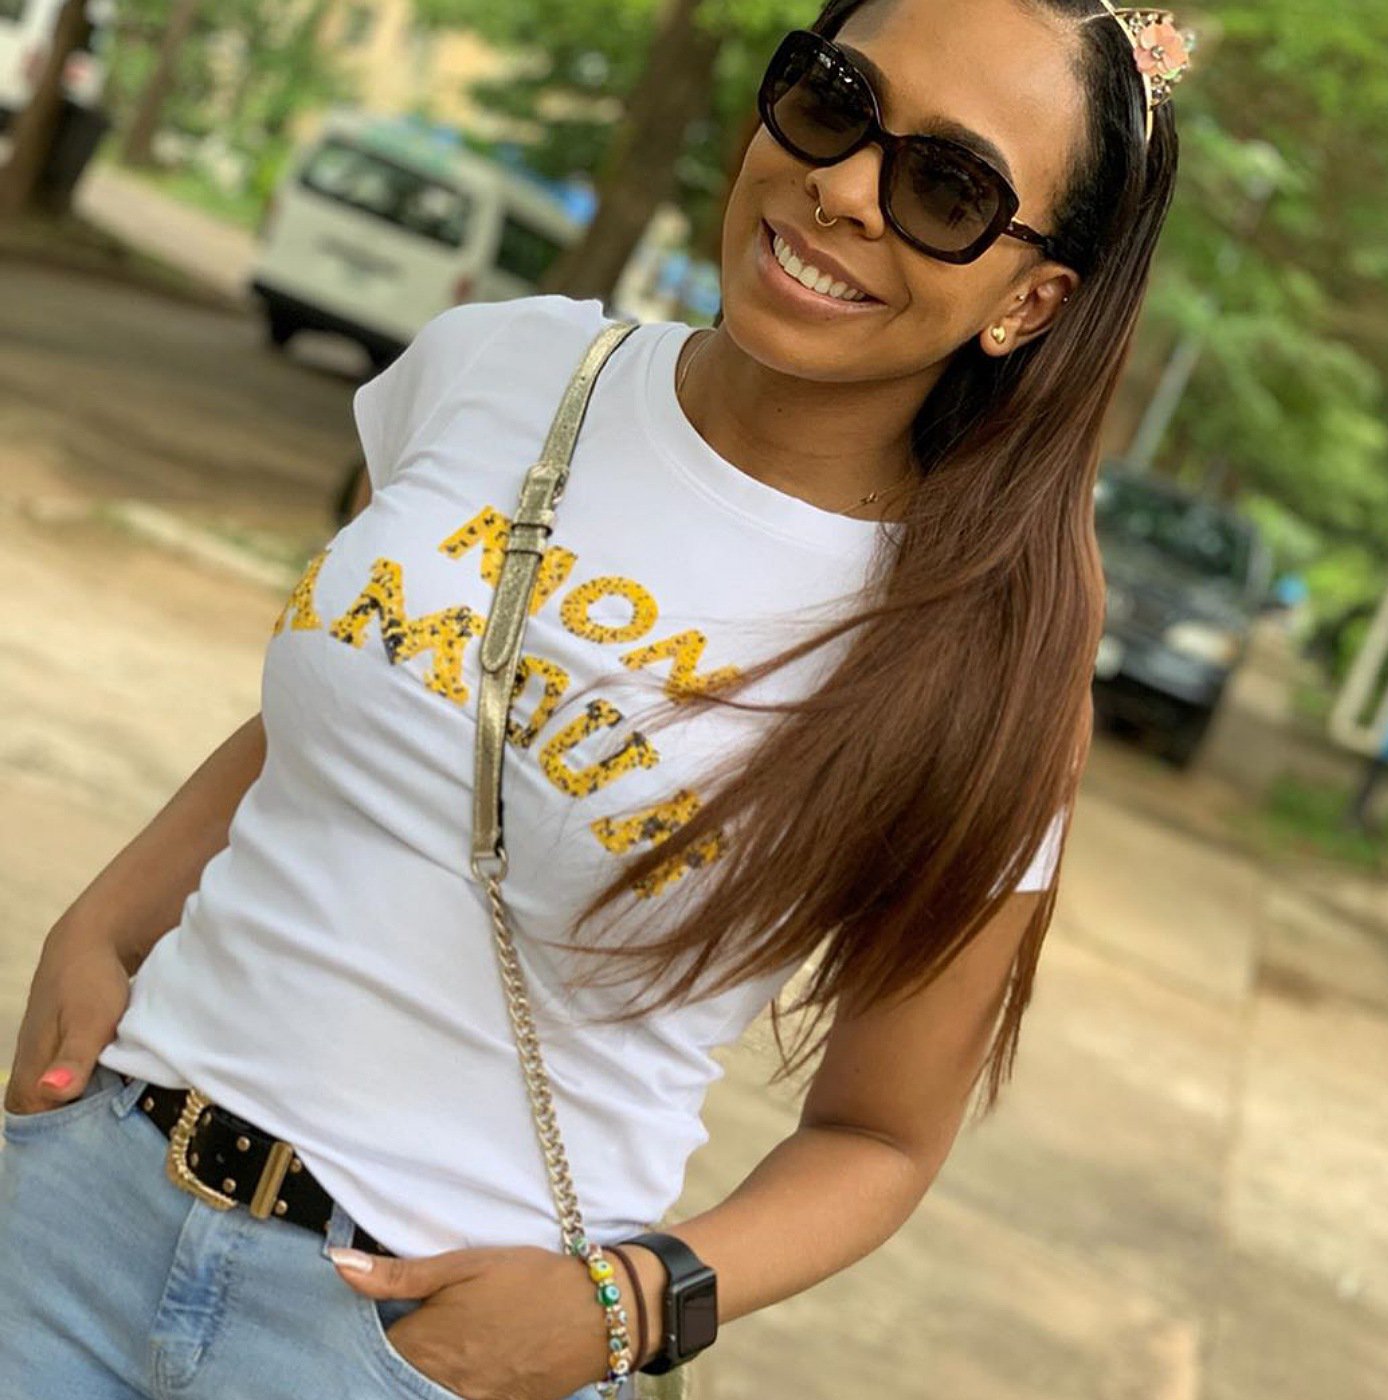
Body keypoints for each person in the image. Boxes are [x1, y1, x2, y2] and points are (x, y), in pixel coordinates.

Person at [0, 1, 1186, 1396]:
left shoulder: (976, 667)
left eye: (948, 187)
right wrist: (102, 924)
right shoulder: (500, 366)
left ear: (1029, 300)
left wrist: (625, 1308)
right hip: (81, 1203)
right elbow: (356, 720)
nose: (845, 189)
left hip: (411, 1350)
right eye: (832, 99)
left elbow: (880, 1138)